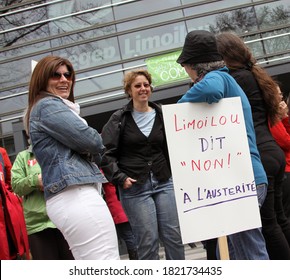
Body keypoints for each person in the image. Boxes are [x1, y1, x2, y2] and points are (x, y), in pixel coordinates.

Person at [176, 30, 269, 260]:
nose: (185, 72)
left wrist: (178, 108)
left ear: (194, 65)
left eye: (185, 66)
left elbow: (211, 90)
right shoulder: (226, 79)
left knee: (249, 253)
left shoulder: (216, 78)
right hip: (241, 181)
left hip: (242, 181)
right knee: (230, 254)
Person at [24, 55, 119, 260]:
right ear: (41, 80)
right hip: (75, 195)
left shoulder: (46, 108)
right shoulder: (48, 106)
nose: (64, 79)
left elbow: (86, 144)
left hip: (71, 197)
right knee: (106, 261)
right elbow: (93, 141)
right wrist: (87, 144)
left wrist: (83, 145)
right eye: (55, 75)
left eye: (68, 74)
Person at [216, 32, 290, 259]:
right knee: (277, 220)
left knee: (268, 225)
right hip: (272, 153)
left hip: (258, 155)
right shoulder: (253, 75)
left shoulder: (234, 79)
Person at [101, 69, 185, 260]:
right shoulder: (119, 119)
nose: (143, 89)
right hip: (135, 188)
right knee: (148, 241)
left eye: (146, 85)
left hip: (164, 181)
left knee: (174, 236)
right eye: (137, 85)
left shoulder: (162, 114)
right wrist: (120, 178)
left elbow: (176, 145)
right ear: (129, 90)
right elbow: (104, 153)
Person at [11, 143, 74, 260]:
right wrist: (35, 180)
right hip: (37, 224)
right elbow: (16, 185)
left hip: (65, 220)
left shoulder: (61, 149)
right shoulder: (23, 157)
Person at [268, 89, 290, 223]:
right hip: (285, 170)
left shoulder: (277, 117)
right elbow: (285, 141)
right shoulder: (271, 117)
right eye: (279, 94)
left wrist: (285, 117)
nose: (281, 97)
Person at [102, 181, 138, 260]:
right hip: (124, 206)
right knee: (131, 236)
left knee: (128, 236)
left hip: (117, 208)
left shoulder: (106, 172)